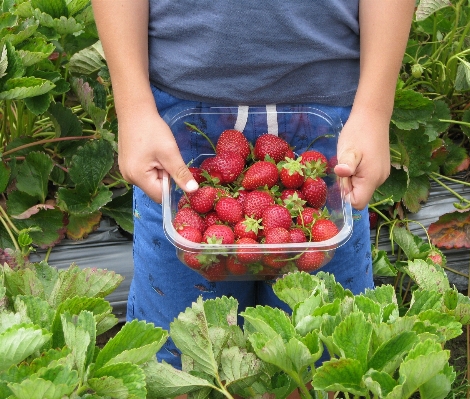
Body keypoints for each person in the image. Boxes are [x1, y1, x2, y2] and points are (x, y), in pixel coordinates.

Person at [92, 0, 414, 375]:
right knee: (175, 349)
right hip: (177, 128)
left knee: (325, 352)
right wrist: (133, 108)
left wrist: (374, 110)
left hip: (333, 122)